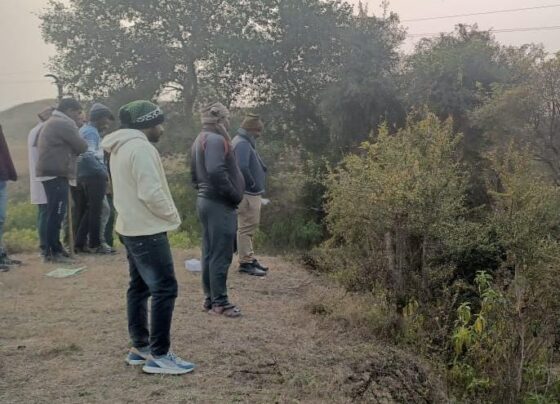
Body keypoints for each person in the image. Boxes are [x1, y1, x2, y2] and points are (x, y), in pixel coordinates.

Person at [102, 100, 195, 375]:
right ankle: (159, 356)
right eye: (158, 123)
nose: (161, 129)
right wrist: (172, 215)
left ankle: (140, 347)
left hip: (130, 227)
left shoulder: (119, 147)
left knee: (139, 288)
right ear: (147, 124)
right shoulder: (141, 148)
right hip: (147, 230)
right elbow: (150, 192)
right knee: (164, 289)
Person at [191, 102, 245, 318]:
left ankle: (210, 299)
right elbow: (215, 171)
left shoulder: (200, 138)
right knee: (221, 254)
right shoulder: (215, 140)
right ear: (220, 119)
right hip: (218, 203)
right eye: (227, 118)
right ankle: (220, 303)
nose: (229, 122)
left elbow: (193, 174)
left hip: (206, 200)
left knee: (209, 252)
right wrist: (233, 194)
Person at [36, 98, 88, 263]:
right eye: (77, 112)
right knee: (56, 213)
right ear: (69, 110)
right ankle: (54, 252)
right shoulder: (63, 123)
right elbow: (82, 146)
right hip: (56, 172)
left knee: (54, 212)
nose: (79, 116)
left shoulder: (54, 121)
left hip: (52, 171)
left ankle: (53, 249)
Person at [74, 103, 115, 254]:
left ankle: (80, 243)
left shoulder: (85, 130)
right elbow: (88, 155)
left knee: (90, 210)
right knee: (98, 210)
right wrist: (102, 172)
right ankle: (96, 244)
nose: (108, 122)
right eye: (107, 118)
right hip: (94, 175)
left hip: (84, 174)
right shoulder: (91, 132)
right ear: (100, 117)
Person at [232, 114, 269, 277]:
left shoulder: (242, 141)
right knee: (246, 228)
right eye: (258, 130)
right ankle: (245, 263)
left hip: (248, 193)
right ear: (251, 129)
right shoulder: (242, 144)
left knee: (248, 227)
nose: (259, 134)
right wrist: (252, 183)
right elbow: (242, 167)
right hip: (248, 194)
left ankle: (249, 258)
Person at [28, 107, 54, 257]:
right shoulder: (43, 130)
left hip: (39, 176)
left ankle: (45, 245)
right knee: (46, 212)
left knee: (43, 211)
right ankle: (46, 246)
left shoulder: (34, 130)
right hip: (46, 176)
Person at [0, 125, 21, 272]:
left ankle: (1, 254)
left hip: (1, 178)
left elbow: (3, 150)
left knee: (1, 218)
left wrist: (9, 172)